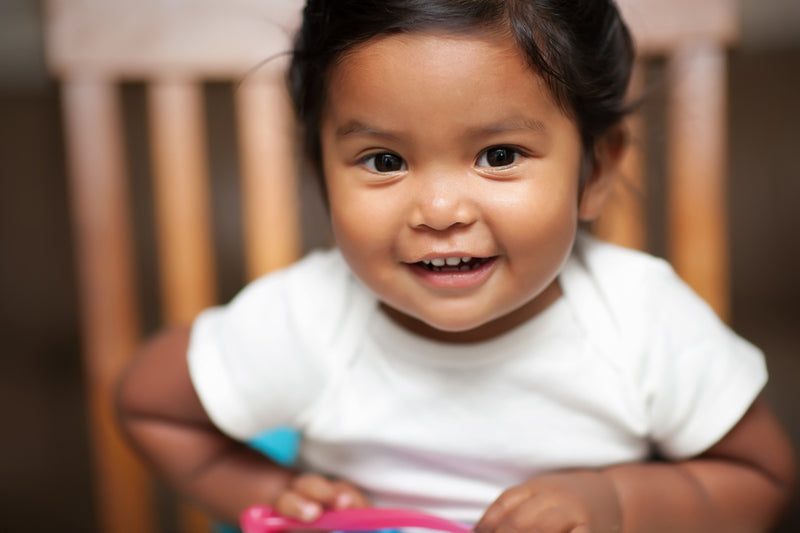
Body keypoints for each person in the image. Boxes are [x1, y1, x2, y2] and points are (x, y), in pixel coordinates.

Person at [116, 0, 796, 531]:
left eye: (500, 154)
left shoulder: (641, 317)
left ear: (597, 168)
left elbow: (759, 480)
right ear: (320, 179)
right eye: (384, 161)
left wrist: (616, 502)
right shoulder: (308, 318)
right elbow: (150, 404)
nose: (439, 209)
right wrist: (269, 493)